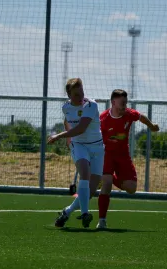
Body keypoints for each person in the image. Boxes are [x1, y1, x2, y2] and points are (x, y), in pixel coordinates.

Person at [97, 89, 160, 229]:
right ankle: (102, 221)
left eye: (126, 103)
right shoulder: (103, 119)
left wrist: (151, 126)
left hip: (123, 155)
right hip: (107, 155)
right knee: (106, 185)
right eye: (122, 103)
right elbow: (95, 137)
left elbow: (141, 117)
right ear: (113, 102)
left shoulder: (128, 114)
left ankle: (108, 177)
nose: (124, 106)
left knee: (131, 188)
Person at [47, 78, 104, 228]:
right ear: (69, 95)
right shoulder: (65, 107)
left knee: (90, 191)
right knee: (84, 173)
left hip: (97, 148)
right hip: (79, 145)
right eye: (76, 95)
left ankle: (67, 211)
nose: (80, 97)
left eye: (82, 93)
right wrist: (69, 138)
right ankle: (85, 214)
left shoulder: (91, 105)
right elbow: (67, 121)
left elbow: (81, 128)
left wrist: (59, 136)